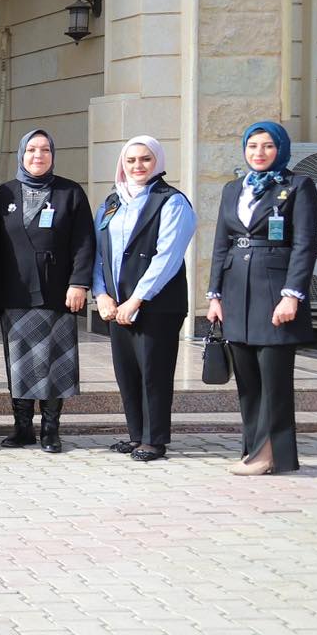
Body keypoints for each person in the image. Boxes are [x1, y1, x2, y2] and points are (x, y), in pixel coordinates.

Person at [208, 120, 317, 475]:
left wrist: (292, 295)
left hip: (275, 294)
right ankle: (254, 450)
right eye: (253, 145)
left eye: (268, 145)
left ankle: (272, 454)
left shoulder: (298, 186)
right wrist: (214, 294)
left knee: (274, 381)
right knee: (248, 383)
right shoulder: (233, 188)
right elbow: (221, 243)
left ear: (281, 149)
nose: (259, 152)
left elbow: (305, 244)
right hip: (236, 293)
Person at [0, 127, 96, 452]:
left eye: (45, 150)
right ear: (22, 154)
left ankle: (51, 429)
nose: (38, 155)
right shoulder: (4, 194)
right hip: (16, 293)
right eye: (32, 150)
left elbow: (84, 242)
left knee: (54, 363)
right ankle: (22, 428)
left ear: (52, 154)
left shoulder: (70, 192)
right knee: (19, 363)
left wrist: (78, 283)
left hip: (57, 292)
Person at [94, 135, 197, 463]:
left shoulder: (172, 202)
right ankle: (137, 434)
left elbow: (167, 257)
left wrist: (137, 299)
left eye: (145, 159)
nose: (137, 166)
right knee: (127, 372)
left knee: (154, 372)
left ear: (158, 162)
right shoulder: (112, 202)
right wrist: (101, 294)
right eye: (131, 160)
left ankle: (155, 439)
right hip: (116, 305)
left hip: (156, 305)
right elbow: (98, 252)